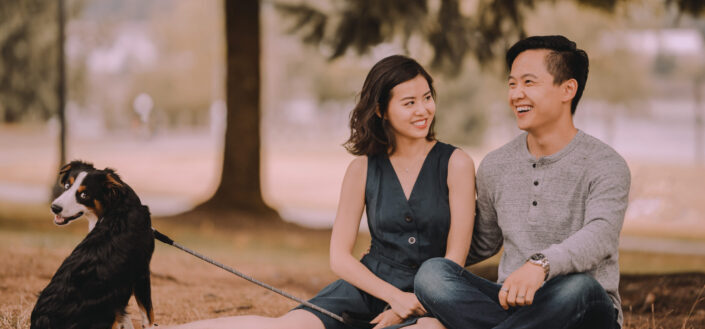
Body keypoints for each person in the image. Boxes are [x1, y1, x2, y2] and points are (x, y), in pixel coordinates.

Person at [167, 55, 476, 329]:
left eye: (427, 97)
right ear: (382, 110)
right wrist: (392, 297)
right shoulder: (362, 169)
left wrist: (406, 306)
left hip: (430, 299)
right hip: (367, 289)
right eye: (409, 103)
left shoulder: (456, 163)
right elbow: (339, 258)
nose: (423, 109)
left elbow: (453, 264)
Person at [413, 35, 631, 329]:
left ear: (568, 89)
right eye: (512, 83)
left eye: (529, 83)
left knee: (578, 288)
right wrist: (402, 248)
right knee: (433, 274)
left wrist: (540, 265)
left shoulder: (605, 164)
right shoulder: (496, 164)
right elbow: (481, 241)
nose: (516, 94)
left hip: (582, 310)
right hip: (510, 307)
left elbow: (601, 236)